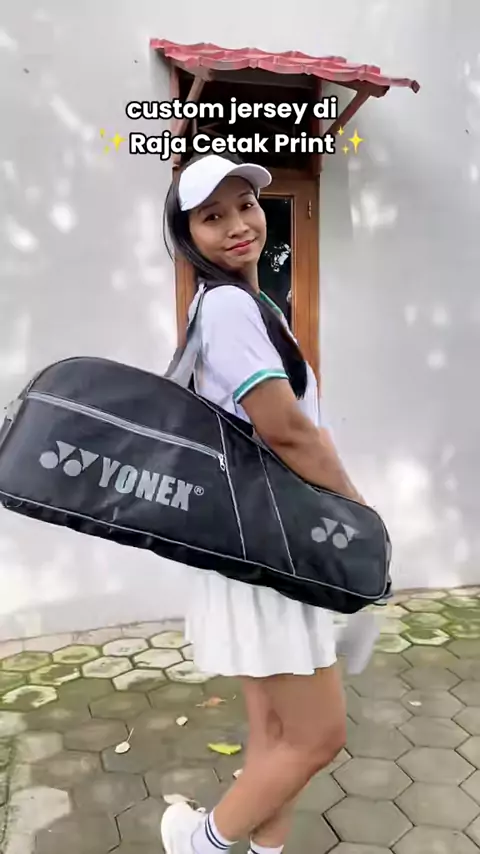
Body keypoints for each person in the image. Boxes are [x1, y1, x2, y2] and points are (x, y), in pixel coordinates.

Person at [161, 152, 375, 854]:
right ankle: (203, 843)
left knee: (277, 734)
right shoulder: (227, 308)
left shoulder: (241, 306)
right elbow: (286, 430)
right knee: (319, 736)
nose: (238, 225)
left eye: (245, 206)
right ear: (188, 236)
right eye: (212, 216)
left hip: (255, 546)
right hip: (274, 550)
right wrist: (358, 514)